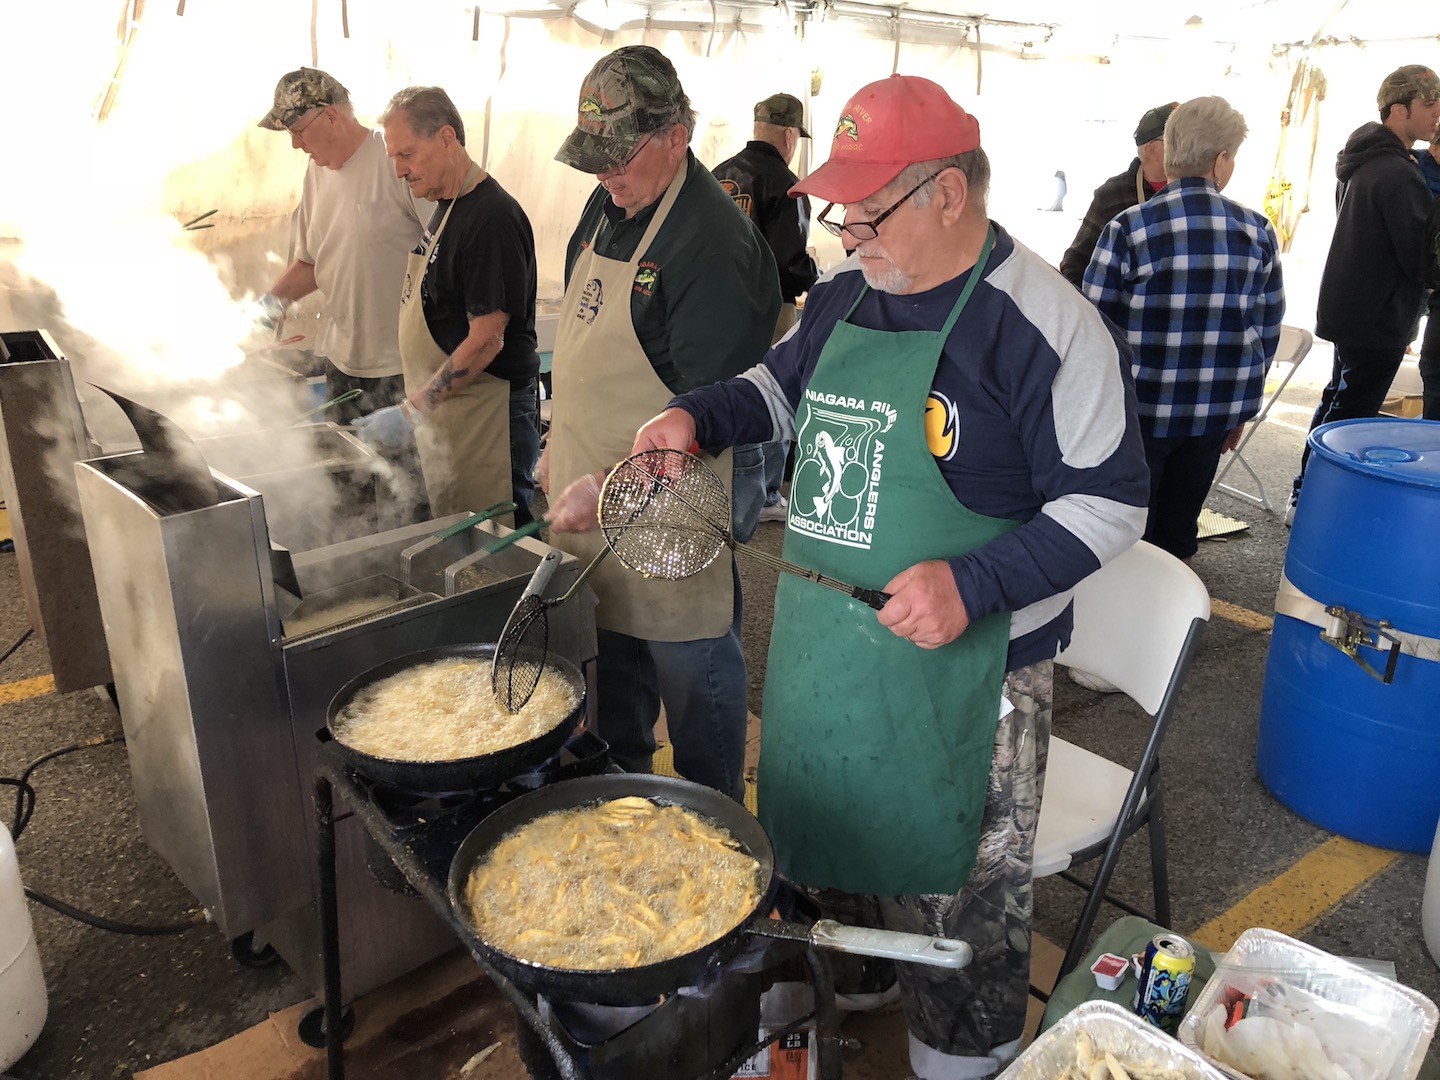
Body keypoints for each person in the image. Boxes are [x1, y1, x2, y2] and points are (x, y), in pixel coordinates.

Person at [627, 74, 1148, 1080]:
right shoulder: (846, 295)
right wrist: (692, 416)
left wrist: (974, 584)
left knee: (958, 891)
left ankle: (962, 1055)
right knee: (828, 827)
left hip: (974, 670)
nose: (845, 233)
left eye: (866, 211)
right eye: (839, 211)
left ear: (948, 193)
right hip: (832, 643)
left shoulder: (1045, 327)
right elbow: (774, 391)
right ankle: (859, 977)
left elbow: (1111, 503)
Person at [542, 46, 780, 801]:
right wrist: (556, 442)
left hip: (676, 502)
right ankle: (628, 801)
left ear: (677, 136)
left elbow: (713, 409)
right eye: (596, 157)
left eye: (621, 154)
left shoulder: (712, 242)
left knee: (692, 673)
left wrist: (610, 486)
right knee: (615, 669)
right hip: (592, 492)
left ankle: (718, 818)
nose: (606, 173)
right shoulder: (609, 204)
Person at [1084, 96, 1284, 564]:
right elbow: (1266, 329)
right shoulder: (1257, 231)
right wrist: (1240, 409)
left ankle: (1123, 596)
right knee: (1179, 527)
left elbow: (1093, 329)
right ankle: (1175, 594)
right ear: (1220, 161)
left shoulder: (1128, 229)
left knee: (1126, 525)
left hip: (1137, 415)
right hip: (1213, 414)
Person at [353, 86, 543, 526]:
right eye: (394, 158)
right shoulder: (446, 208)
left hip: (489, 417)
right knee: (463, 535)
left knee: (499, 541)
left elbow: (487, 340)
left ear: (446, 138)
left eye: (407, 154)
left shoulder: (491, 218)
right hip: (454, 414)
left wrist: (412, 411)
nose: (399, 170)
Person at [255, 67, 432, 521]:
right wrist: (273, 301)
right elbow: (314, 261)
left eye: (298, 131)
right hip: (342, 364)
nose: (296, 145)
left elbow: (445, 249)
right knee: (349, 495)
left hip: (398, 369)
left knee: (405, 498)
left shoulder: (394, 162)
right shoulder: (316, 175)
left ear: (330, 116)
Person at [1290, 64, 1440, 522]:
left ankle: (1306, 492)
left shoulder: (1362, 159)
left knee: (1339, 400)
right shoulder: (1397, 173)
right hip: (1378, 314)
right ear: (1399, 110)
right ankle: (1317, 501)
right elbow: (1419, 256)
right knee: (1353, 411)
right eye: (1429, 105)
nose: (1437, 115)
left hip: (1352, 306)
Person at [712, 91, 821, 527]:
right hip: (767, 309)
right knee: (775, 392)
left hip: (715, 309)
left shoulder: (718, 175)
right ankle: (768, 494)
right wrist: (817, 278)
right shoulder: (787, 184)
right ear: (790, 135)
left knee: (726, 393)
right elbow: (788, 262)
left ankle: (720, 487)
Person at [1057, 101, 1177, 288]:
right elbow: (1076, 265)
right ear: (1151, 150)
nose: (1188, 146)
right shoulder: (1112, 195)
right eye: (1176, 139)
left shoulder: (1195, 192)